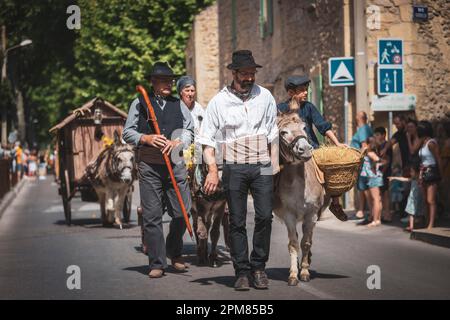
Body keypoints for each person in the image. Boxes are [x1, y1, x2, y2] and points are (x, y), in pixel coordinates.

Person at [198, 50, 278, 291]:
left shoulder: (265, 96)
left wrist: (274, 164)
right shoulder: (218, 102)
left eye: (252, 73)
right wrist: (213, 171)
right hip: (233, 166)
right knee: (237, 220)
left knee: (265, 215)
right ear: (234, 73)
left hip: (262, 164)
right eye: (245, 73)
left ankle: (259, 267)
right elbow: (207, 140)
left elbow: (272, 131)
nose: (250, 77)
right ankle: (242, 271)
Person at [122, 61, 194, 279]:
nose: (169, 84)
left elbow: (189, 130)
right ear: (153, 82)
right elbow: (128, 133)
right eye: (164, 81)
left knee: (182, 213)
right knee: (152, 216)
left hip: (175, 165)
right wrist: (146, 138)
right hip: (149, 167)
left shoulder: (178, 104)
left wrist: (179, 141)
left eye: (171, 81)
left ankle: (174, 250)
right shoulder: (139, 103)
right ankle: (157, 262)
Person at [277, 75, 348, 222]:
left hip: (311, 148)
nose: (305, 93)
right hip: (288, 151)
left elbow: (322, 126)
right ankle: (272, 201)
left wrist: (337, 143)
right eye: (301, 90)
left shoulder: (309, 107)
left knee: (332, 169)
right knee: (273, 172)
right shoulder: (281, 109)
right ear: (291, 93)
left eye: (306, 90)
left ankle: (335, 202)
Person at [417, 120, 442, 229]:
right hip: (424, 172)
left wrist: (441, 175)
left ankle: (431, 223)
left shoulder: (431, 143)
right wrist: (420, 175)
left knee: (430, 200)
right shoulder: (423, 143)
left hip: (431, 172)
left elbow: (438, 159)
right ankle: (427, 221)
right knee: (425, 200)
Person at [389, 160, 423, 232]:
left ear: (417, 172)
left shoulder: (420, 180)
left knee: (420, 212)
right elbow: (404, 179)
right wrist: (394, 178)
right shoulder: (413, 179)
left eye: (412, 171)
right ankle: (411, 226)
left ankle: (419, 225)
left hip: (419, 199)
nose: (410, 173)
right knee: (411, 212)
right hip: (412, 198)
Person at [350, 111, 373, 219]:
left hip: (363, 162)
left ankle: (368, 211)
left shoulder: (363, 129)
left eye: (356, 115)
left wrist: (358, 159)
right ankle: (363, 210)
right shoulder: (365, 128)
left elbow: (364, 146)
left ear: (360, 118)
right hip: (363, 162)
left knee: (364, 187)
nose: (355, 117)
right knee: (363, 187)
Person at [359, 137, 384, 227]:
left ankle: (375, 220)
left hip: (373, 177)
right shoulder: (372, 151)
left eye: (365, 143)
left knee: (376, 199)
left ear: (369, 144)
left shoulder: (370, 152)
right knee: (378, 199)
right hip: (375, 177)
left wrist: (374, 166)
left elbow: (377, 159)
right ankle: (378, 219)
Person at [374, 127, 392, 222]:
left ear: (383, 135)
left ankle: (387, 215)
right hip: (380, 173)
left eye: (377, 135)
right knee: (381, 195)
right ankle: (381, 215)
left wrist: (381, 173)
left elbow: (387, 161)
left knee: (385, 194)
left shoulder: (386, 146)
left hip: (384, 173)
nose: (376, 137)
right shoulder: (378, 146)